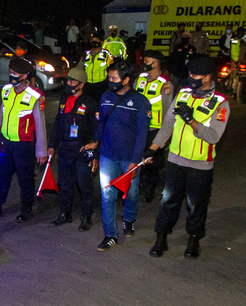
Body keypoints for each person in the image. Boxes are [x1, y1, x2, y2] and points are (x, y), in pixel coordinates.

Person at [143, 56, 229, 259]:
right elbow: (167, 126)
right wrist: (153, 149)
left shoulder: (220, 103)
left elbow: (213, 136)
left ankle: (194, 239)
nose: (191, 77)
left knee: (196, 204)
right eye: (189, 73)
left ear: (208, 77)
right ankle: (161, 237)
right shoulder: (182, 94)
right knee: (168, 201)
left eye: (196, 74)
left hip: (201, 164)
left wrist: (190, 119)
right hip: (176, 160)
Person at [82, 61, 151, 251]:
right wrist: (96, 142)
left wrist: (135, 162)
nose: (110, 81)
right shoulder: (105, 97)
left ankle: (129, 219)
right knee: (107, 195)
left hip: (130, 158)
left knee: (132, 194)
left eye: (114, 78)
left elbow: (142, 134)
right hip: (108, 155)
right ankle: (110, 235)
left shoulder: (140, 101)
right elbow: (101, 124)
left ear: (126, 79)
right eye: (109, 77)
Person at [0, 58, 47, 223]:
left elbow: (40, 125)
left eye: (15, 73)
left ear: (25, 75)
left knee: (25, 178)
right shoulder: (6, 90)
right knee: (1, 176)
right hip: (6, 143)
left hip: (24, 145)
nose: (11, 76)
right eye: (10, 72)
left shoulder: (35, 96)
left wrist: (41, 151)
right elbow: (2, 116)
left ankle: (27, 208)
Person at [47, 67, 99, 231]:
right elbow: (57, 124)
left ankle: (86, 217)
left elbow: (97, 130)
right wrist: (51, 145)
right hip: (64, 150)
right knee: (65, 184)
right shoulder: (63, 100)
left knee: (84, 186)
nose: (68, 83)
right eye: (67, 80)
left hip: (81, 150)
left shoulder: (90, 104)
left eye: (72, 81)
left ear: (81, 84)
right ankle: (65, 214)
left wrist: (95, 153)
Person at [134, 50, 174, 203]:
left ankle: (150, 188)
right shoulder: (140, 79)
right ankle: (138, 185)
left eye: (147, 60)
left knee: (153, 162)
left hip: (155, 129)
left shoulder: (165, 84)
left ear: (156, 63)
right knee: (138, 158)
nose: (144, 63)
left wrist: (166, 135)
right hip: (138, 127)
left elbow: (168, 111)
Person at [79, 31, 113, 103]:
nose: (94, 42)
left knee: (99, 104)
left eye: (96, 40)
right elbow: (79, 67)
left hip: (100, 85)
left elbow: (112, 68)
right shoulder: (86, 54)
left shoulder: (106, 54)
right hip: (87, 84)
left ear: (101, 42)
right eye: (92, 40)